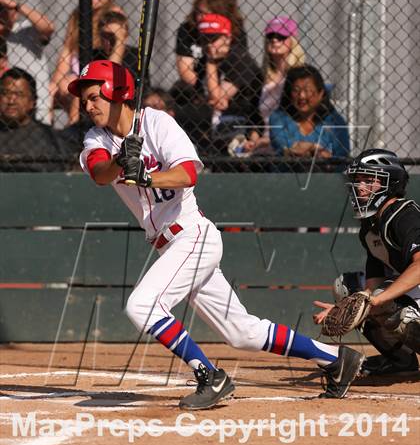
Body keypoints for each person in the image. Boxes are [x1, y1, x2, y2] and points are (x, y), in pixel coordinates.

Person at [67, 59, 365, 409]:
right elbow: (101, 173)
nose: (88, 106)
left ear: (119, 92)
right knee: (242, 332)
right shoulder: (96, 138)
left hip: (192, 236)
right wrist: (122, 161)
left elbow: (189, 173)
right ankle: (335, 358)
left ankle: (210, 376)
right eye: (85, 99)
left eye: (94, 96)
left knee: (142, 305)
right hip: (170, 247)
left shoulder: (157, 123)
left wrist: (149, 177)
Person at [314, 149, 420, 375]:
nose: (359, 186)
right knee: (347, 289)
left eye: (368, 180)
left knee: (399, 312)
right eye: (357, 179)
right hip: (415, 290)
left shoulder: (405, 215)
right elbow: (374, 282)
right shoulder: (370, 225)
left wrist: (376, 300)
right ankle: (400, 361)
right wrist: (350, 306)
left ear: (390, 183)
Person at [174, 13, 263, 155]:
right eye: (204, 39)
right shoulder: (204, 60)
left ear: (227, 38)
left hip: (242, 125)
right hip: (214, 129)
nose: (209, 44)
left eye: (214, 38)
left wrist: (211, 62)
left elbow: (216, 98)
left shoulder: (240, 59)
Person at [49, 0, 123, 124]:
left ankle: (74, 130)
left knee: (79, 91)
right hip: (76, 72)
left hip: (98, 75)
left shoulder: (112, 15)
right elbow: (67, 51)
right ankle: (46, 133)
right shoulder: (77, 15)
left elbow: (112, 55)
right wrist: (55, 82)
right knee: (49, 90)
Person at [244, 16, 305, 154]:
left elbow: (301, 118)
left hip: (290, 144)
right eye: (270, 35)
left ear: (292, 41)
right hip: (262, 147)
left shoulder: (300, 75)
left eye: (281, 36)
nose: (275, 40)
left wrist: (268, 140)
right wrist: (254, 140)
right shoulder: (260, 78)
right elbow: (254, 117)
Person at [173, 0, 247, 95]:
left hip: (227, 89)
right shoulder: (188, 29)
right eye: (199, 12)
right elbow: (185, 71)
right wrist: (206, 91)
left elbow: (237, 72)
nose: (202, 18)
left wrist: (218, 94)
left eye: (207, 14)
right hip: (197, 90)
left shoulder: (235, 31)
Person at [269, 65, 350, 160]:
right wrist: (315, 148)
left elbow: (341, 156)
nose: (302, 96)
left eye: (308, 90)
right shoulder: (279, 118)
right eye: (296, 90)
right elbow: (287, 148)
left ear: (321, 93)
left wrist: (308, 149)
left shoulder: (334, 121)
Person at [0, 0, 54, 124]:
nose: (1, 13)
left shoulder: (26, 29)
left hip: (34, 106)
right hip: (5, 107)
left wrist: (16, 4)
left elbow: (48, 28)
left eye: (5, 9)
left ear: (16, 12)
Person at [0, 67, 66, 157]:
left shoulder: (48, 137)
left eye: (19, 94)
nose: (11, 101)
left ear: (32, 102)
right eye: (5, 93)